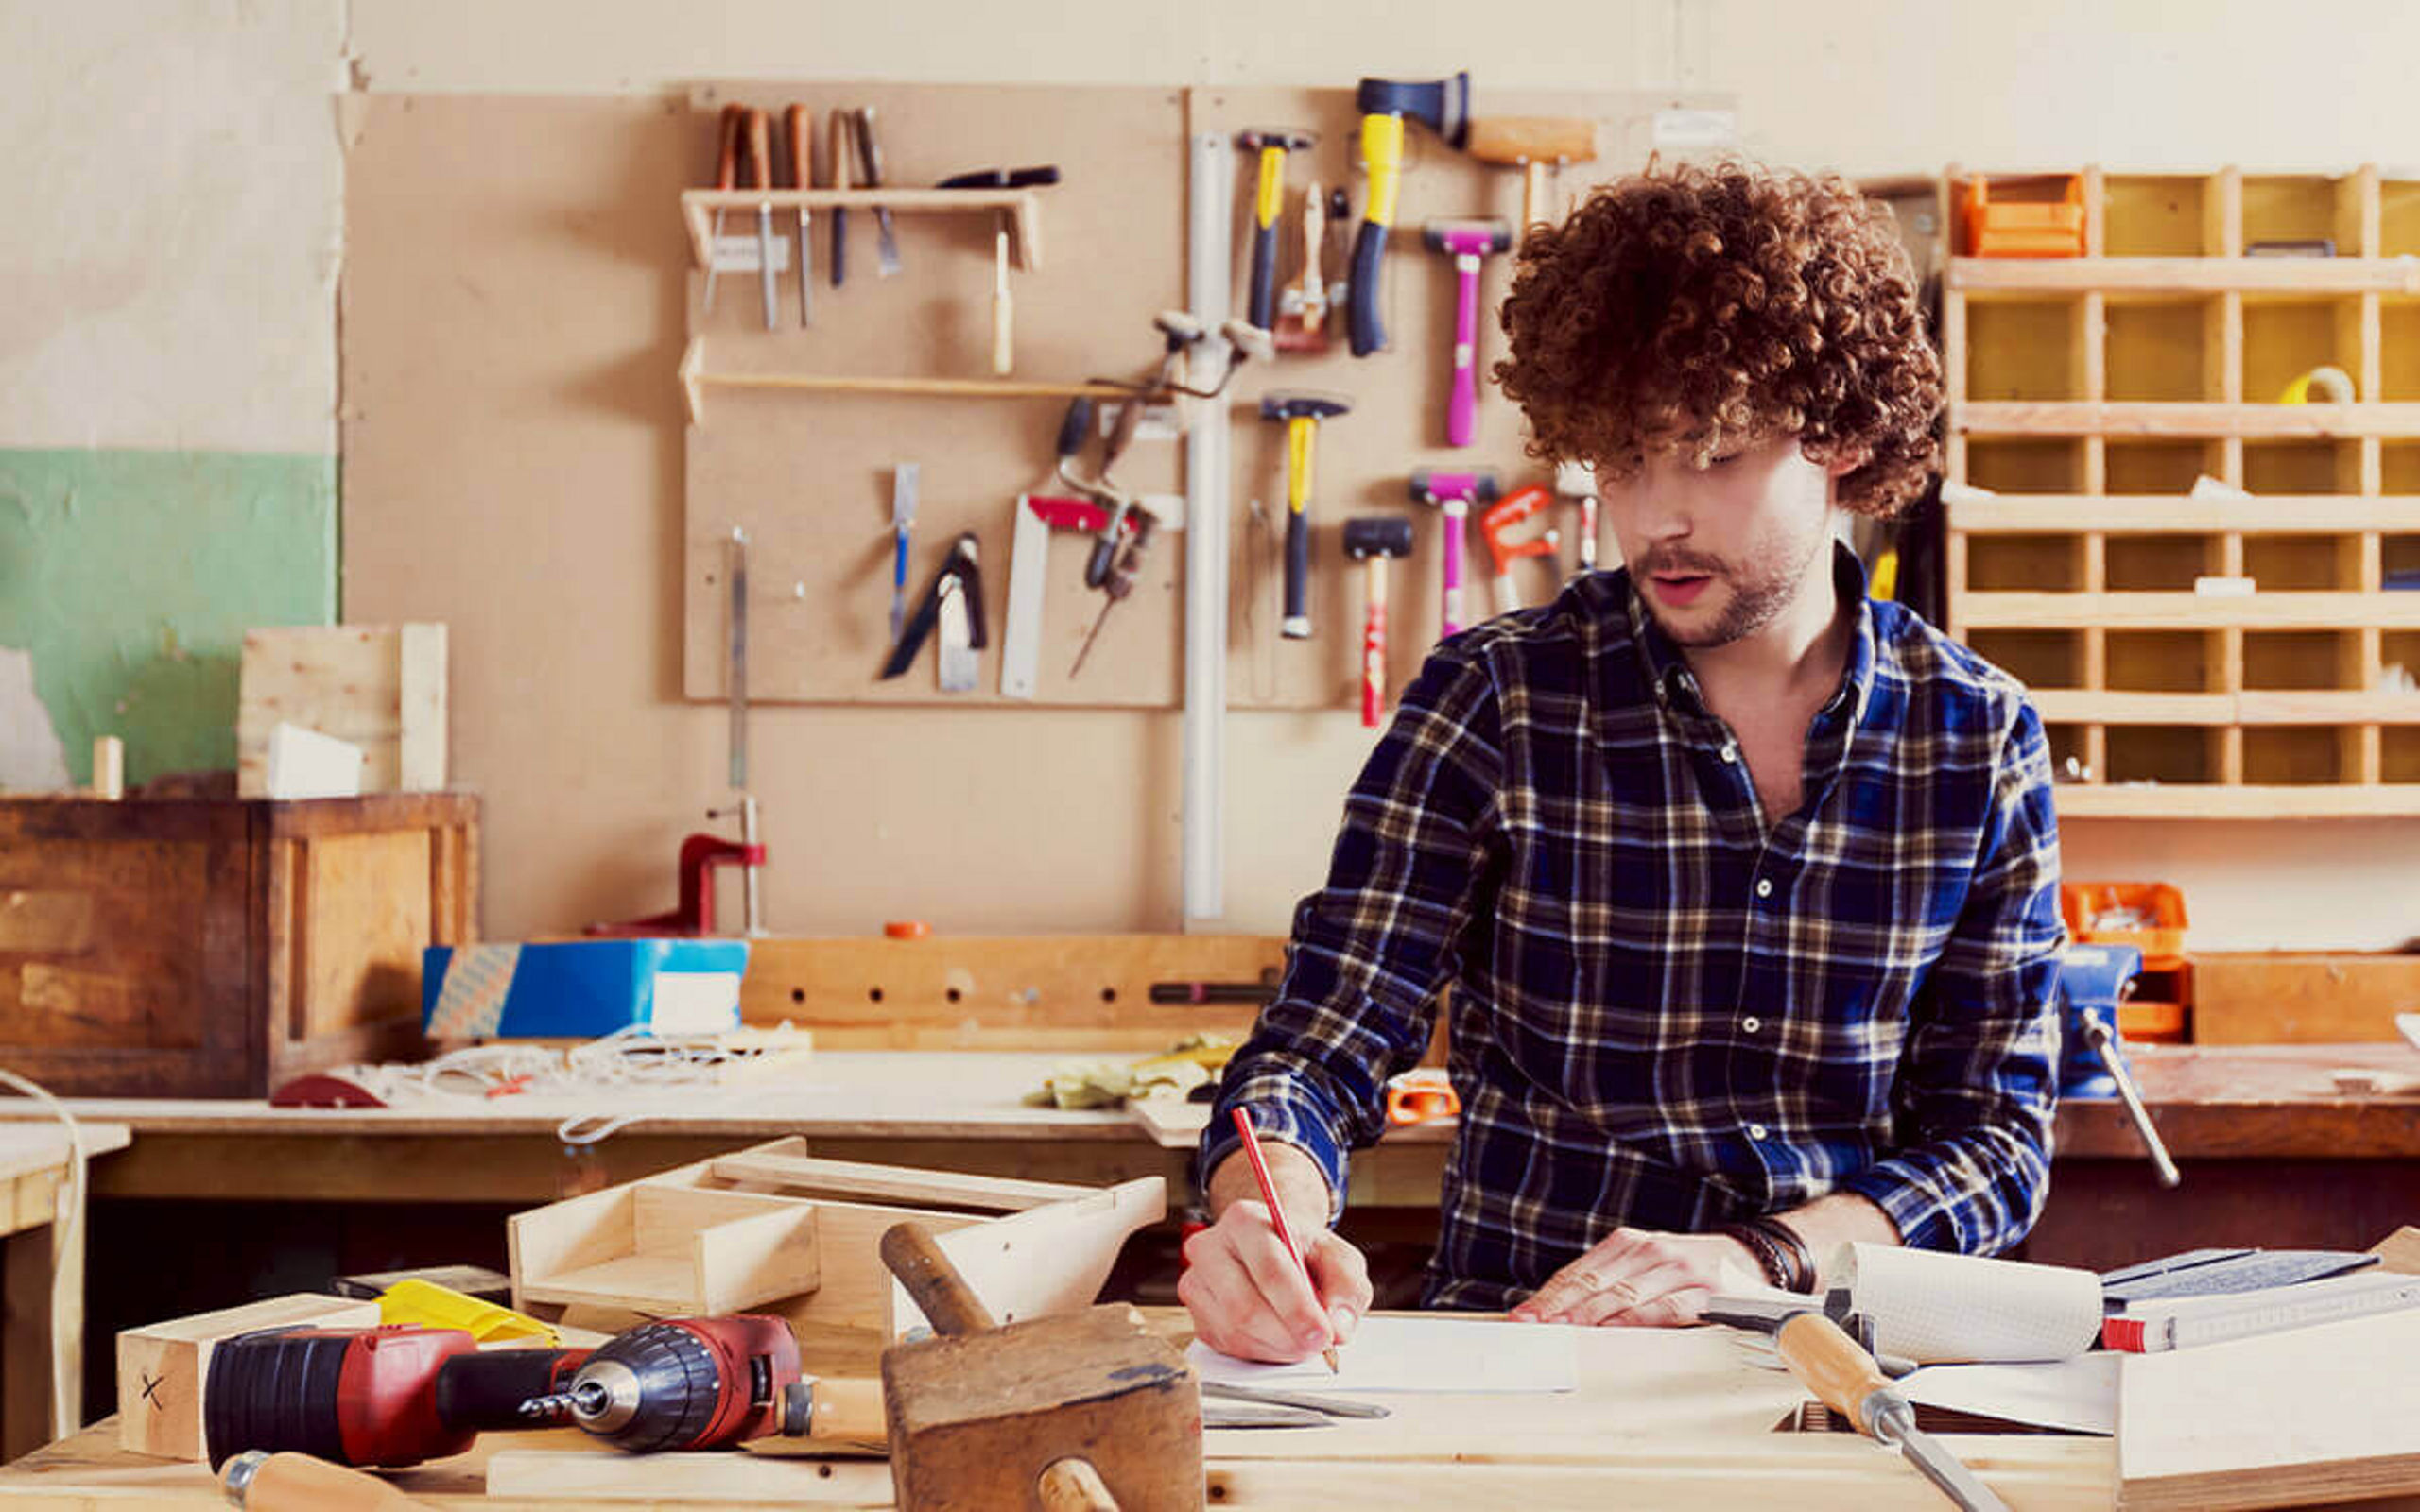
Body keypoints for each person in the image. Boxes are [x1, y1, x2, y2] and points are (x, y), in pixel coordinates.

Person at [1182, 160, 2064, 1365]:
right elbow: (1325, 1037)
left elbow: (1992, 1149)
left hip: (1825, 1376)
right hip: (1518, 1358)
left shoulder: (1978, 739)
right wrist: (1266, 1202)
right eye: (1624, 460)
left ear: (1842, 441)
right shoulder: (1495, 698)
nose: (1654, 518)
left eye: (1712, 455)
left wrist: (1756, 1257)